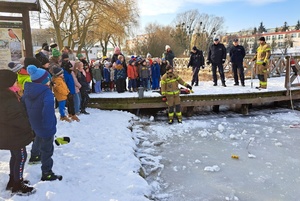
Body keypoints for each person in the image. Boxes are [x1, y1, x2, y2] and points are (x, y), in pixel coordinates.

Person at [22, 65, 62, 181]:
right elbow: (48, 112)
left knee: (38, 137)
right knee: (47, 150)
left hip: (35, 123)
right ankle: (47, 173)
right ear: (45, 81)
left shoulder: (28, 91)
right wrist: (49, 128)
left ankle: (34, 156)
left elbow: (23, 107)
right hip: (46, 126)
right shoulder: (47, 93)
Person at [0, 69, 36, 195]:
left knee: (15, 156)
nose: (17, 82)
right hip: (15, 134)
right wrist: (30, 129)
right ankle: (18, 184)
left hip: (9, 134)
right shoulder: (8, 99)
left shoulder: (6, 95)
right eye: (15, 81)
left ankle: (13, 180)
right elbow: (18, 119)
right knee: (21, 157)